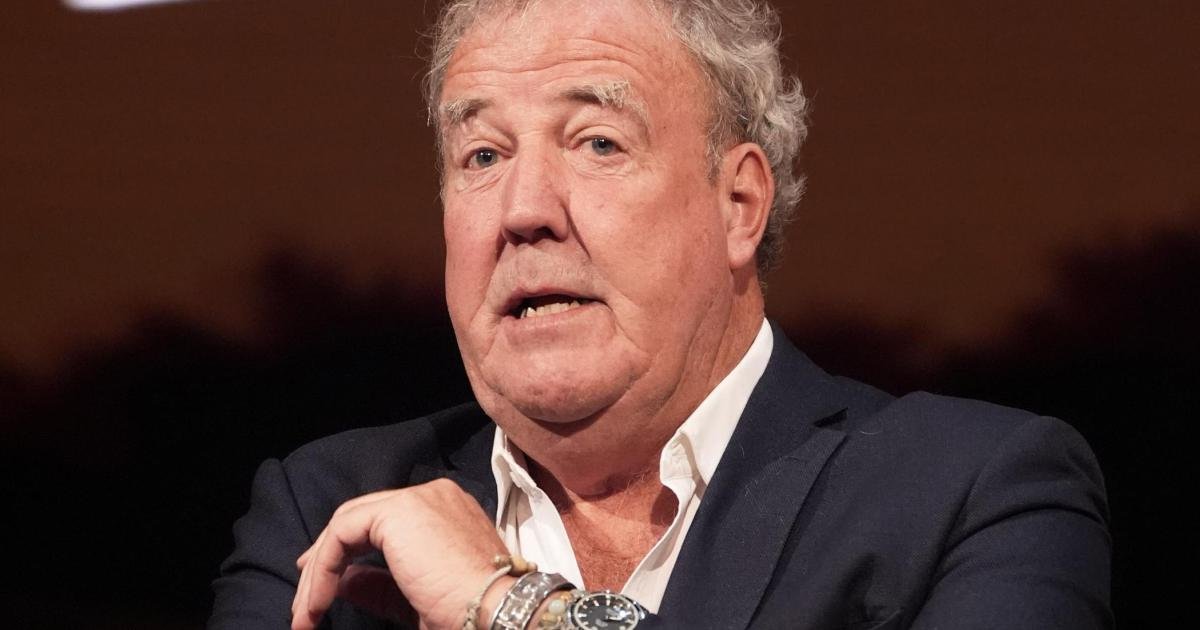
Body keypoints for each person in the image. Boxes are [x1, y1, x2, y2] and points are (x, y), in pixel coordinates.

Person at [210, 0, 1111, 628]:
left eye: (597, 142)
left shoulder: (973, 493)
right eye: (482, 155)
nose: (523, 209)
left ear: (739, 204)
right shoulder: (328, 514)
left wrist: (507, 606)